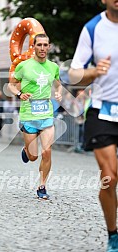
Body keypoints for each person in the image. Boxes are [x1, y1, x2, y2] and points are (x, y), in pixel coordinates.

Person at [68, 1, 118, 251]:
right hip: (103, 109)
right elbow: (73, 74)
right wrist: (94, 72)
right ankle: (113, 235)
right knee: (109, 176)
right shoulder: (93, 28)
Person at [7, 33, 62, 199]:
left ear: (49, 47)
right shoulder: (24, 66)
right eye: (40, 45)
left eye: (46, 45)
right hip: (29, 115)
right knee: (33, 156)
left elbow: (58, 85)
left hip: (46, 114)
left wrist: (58, 93)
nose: (43, 48)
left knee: (47, 152)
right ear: (34, 46)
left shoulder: (53, 67)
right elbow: (11, 85)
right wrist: (19, 93)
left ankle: (42, 186)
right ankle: (26, 150)